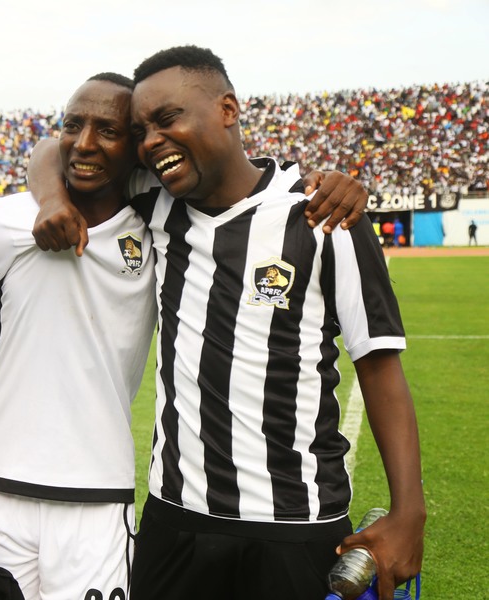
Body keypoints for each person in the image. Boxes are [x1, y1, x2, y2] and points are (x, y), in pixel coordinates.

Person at [29, 46, 424, 600]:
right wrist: (49, 195)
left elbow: (380, 367)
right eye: (142, 130)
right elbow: (53, 148)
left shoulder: (322, 217)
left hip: (296, 525)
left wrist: (411, 510)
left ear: (228, 110)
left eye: (168, 119)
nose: (151, 142)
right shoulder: (156, 204)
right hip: (176, 521)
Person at [0, 73, 155, 600]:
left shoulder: (161, 224)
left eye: (107, 130)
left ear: (136, 146)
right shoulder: (0, 223)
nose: (85, 143)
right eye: (72, 125)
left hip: (99, 498)